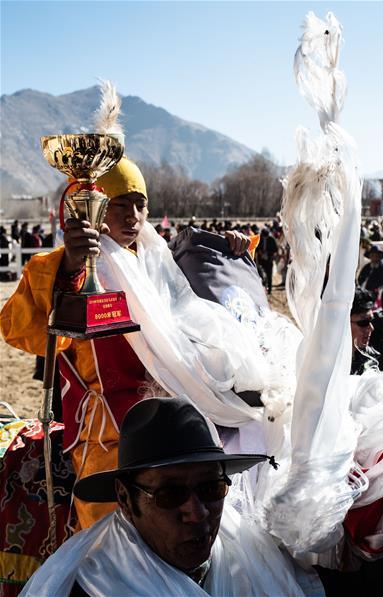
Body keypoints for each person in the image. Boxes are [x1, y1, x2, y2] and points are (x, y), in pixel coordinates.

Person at [0, 157, 254, 529]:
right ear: (91, 206)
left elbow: (207, 305)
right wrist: (70, 268)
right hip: (105, 440)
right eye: (119, 204)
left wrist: (232, 248)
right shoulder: (60, 265)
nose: (133, 215)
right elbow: (18, 330)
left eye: (140, 203)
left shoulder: (157, 263)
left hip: (171, 428)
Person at [23, 397, 383, 597]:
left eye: (210, 489)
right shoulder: (90, 584)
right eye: (170, 496)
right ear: (126, 501)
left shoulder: (242, 547)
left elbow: (340, 593)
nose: (197, 513)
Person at [350, 287, 380, 375]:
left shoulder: (371, 356)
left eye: (371, 321)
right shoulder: (326, 363)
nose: (371, 328)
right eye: (363, 322)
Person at [255, 228, 279, 294]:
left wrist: (272, 257)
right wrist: (260, 252)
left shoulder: (272, 239)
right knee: (262, 275)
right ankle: (263, 288)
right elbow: (256, 248)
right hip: (261, 260)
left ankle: (269, 290)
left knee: (269, 275)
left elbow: (276, 250)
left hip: (269, 260)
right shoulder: (259, 238)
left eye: (266, 236)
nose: (265, 237)